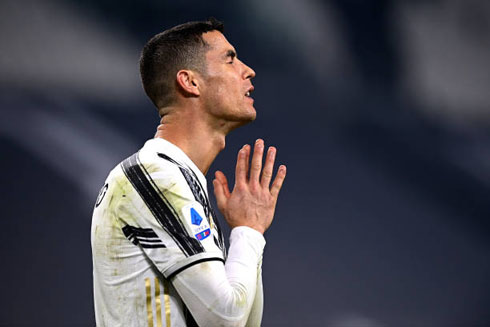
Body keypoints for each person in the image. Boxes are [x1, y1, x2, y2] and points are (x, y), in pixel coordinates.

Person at [91, 18, 286, 327]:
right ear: (190, 82)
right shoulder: (156, 176)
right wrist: (248, 232)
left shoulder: (176, 179)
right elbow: (225, 317)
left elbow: (243, 320)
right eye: (230, 59)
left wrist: (250, 231)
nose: (248, 70)